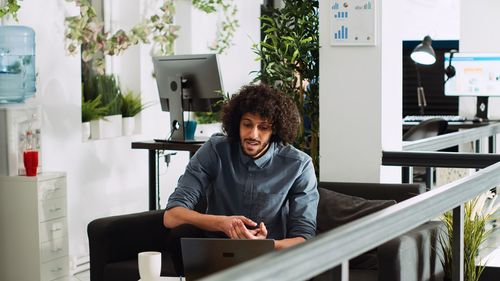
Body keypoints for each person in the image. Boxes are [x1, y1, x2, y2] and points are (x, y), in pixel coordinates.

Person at [163, 83, 318, 252]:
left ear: (275, 130)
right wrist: (222, 223)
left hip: (269, 256)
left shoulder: (299, 165)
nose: (253, 134)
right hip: (216, 252)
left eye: (263, 127)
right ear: (237, 123)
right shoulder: (215, 150)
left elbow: (304, 239)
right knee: (180, 234)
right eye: (247, 124)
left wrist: (266, 246)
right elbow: (172, 216)